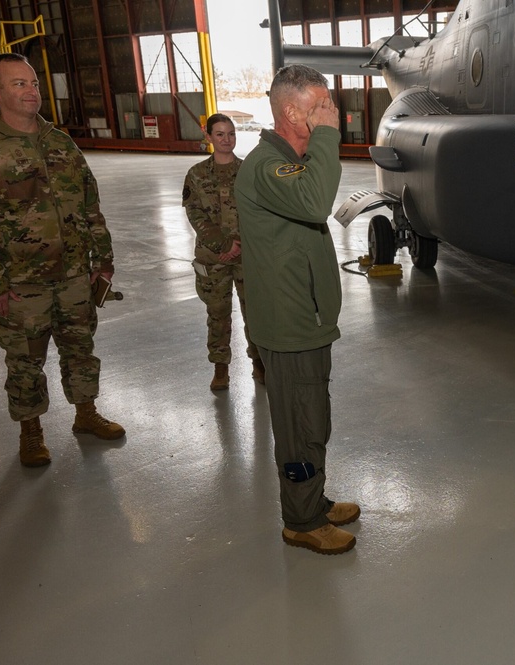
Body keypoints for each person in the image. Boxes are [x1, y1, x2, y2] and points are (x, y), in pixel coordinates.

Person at [0, 53, 124, 468]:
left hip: (74, 273)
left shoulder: (60, 141)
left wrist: (102, 259)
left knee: (80, 348)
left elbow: (90, 203)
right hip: (21, 282)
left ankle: (86, 414)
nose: (31, 91)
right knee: (24, 360)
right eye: (18, 84)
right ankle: (31, 432)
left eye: (34, 83)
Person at [235, 65, 359, 555]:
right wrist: (328, 136)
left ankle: (314, 499)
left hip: (304, 320)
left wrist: (321, 137)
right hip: (288, 327)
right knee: (298, 426)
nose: (331, 114)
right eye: (320, 107)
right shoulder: (269, 166)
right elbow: (315, 203)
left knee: (313, 417)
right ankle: (301, 522)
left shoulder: (293, 161)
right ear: (291, 112)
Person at [182, 113, 264, 390]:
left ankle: (259, 363)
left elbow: (258, 212)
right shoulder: (196, 174)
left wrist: (238, 243)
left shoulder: (248, 171)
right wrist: (223, 244)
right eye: (220, 134)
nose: (226, 139)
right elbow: (195, 213)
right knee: (217, 314)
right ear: (209, 137)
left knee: (254, 312)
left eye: (231, 133)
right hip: (213, 256)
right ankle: (220, 368)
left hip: (247, 255)